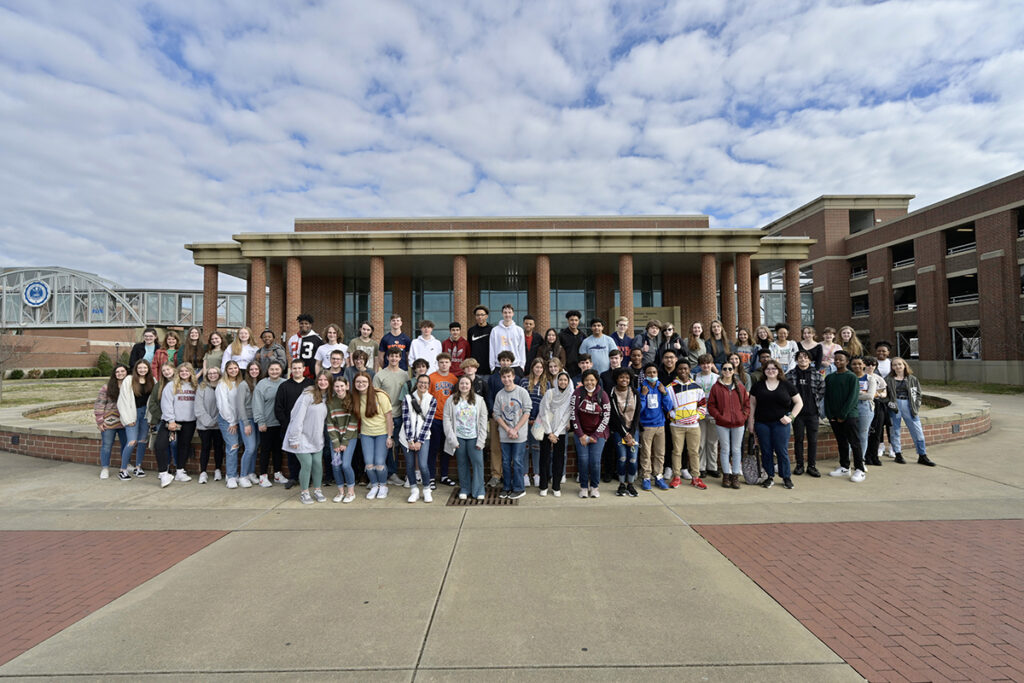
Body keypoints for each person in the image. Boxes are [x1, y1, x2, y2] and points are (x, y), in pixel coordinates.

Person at [748, 359, 802, 490]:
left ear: (778, 370)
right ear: (764, 371)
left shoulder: (786, 385)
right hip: (762, 423)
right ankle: (769, 477)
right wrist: (751, 422)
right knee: (766, 450)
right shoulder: (758, 386)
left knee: (781, 450)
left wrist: (791, 417)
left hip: (780, 424)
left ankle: (786, 477)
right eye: (768, 369)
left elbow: (799, 403)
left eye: (773, 369)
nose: (771, 371)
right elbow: (752, 405)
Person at [283, 372, 331, 504]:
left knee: (317, 464)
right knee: (307, 464)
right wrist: (294, 438)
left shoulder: (328, 397)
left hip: (316, 437)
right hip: (301, 436)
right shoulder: (308, 395)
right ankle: (304, 492)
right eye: (320, 379)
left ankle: (317, 490)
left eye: (325, 380)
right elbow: (297, 416)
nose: (322, 382)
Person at [444, 376, 489, 500]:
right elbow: (447, 419)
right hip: (459, 437)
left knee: (478, 463)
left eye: (467, 383)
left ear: (471, 386)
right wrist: (452, 439)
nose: (464, 386)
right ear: (458, 385)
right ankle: (465, 488)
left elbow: (483, 420)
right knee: (462, 463)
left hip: (474, 437)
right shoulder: (451, 400)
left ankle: (479, 490)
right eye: (462, 383)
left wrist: (481, 439)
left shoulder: (479, 400)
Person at [352, 371, 395, 500]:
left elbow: (388, 417)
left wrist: (389, 436)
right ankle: (375, 485)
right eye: (358, 382)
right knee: (369, 464)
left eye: (364, 382)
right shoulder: (355, 397)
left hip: (382, 433)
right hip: (366, 434)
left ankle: (383, 486)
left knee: (379, 463)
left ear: (369, 383)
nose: (361, 384)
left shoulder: (380, 395)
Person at [154, 363, 198, 488]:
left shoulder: (195, 386)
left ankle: (180, 471)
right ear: (178, 372)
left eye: (187, 371)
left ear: (191, 372)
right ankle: (163, 474)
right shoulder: (171, 385)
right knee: (160, 445)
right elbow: (166, 403)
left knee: (184, 446)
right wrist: (171, 420)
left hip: (189, 421)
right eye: (182, 371)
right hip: (171, 421)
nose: (184, 373)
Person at [707, 360, 749, 489]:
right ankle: (726, 475)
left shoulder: (740, 386)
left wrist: (743, 416)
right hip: (722, 423)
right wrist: (719, 416)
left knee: (736, 450)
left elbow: (747, 404)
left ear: (733, 370)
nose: (727, 371)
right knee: (725, 449)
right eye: (725, 369)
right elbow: (711, 405)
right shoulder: (716, 387)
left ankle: (735, 476)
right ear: (721, 371)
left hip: (738, 423)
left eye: (730, 369)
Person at [885, 357, 935, 466]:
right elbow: (884, 394)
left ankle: (922, 455)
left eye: (899, 364)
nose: (897, 367)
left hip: (909, 406)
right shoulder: (888, 379)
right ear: (892, 367)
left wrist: (916, 406)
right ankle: (898, 454)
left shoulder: (912, 379)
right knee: (895, 430)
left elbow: (918, 394)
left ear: (904, 365)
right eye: (894, 365)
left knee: (917, 431)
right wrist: (890, 404)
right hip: (895, 407)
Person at [825, 351, 865, 482]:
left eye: (841, 360)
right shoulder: (830, 377)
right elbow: (827, 398)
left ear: (847, 362)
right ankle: (844, 467)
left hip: (849, 415)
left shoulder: (851, 377)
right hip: (834, 417)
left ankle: (859, 469)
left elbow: (853, 398)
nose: (837, 362)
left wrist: (843, 414)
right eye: (835, 359)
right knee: (841, 442)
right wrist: (830, 414)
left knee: (854, 442)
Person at [666, 359, 706, 489]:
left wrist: (696, 417)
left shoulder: (697, 387)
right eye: (680, 369)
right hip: (677, 426)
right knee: (677, 451)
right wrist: (676, 418)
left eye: (686, 369)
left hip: (693, 426)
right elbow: (667, 408)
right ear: (677, 371)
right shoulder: (670, 388)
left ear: (689, 370)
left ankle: (696, 477)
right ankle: (676, 477)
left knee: (694, 451)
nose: (683, 371)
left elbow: (702, 405)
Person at [374, 347, 411, 487]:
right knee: (384, 446)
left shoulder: (405, 375)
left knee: (395, 446)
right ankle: (385, 474)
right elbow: (375, 397)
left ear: (400, 358)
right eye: (391, 356)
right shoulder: (380, 375)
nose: (394, 359)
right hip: (383, 417)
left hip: (399, 415)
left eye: (397, 356)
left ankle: (392, 473)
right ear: (387, 358)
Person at [275, 358, 313, 489]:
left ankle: (308, 477)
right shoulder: (284, 386)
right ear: (291, 370)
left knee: (308, 452)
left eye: (299, 368)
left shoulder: (311, 385)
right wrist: (287, 425)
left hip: (308, 427)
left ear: (304, 369)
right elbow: (278, 408)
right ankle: (293, 477)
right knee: (292, 454)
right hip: (289, 427)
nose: (297, 370)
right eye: (294, 368)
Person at [571, 369, 610, 498]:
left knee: (594, 461)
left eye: (592, 380)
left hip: (598, 434)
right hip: (581, 432)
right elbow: (573, 415)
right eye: (587, 380)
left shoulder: (602, 395)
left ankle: (594, 487)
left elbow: (606, 417)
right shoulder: (577, 393)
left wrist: (594, 436)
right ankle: (583, 487)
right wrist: (581, 435)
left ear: (597, 381)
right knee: (583, 460)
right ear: (583, 381)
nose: (589, 382)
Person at [494, 366, 531, 499]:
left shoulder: (522, 392)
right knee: (505, 461)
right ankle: (507, 487)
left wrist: (515, 429)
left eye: (509, 376)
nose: (507, 379)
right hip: (505, 434)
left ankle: (519, 488)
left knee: (517, 461)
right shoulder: (500, 395)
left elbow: (527, 411)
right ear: (501, 378)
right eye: (504, 377)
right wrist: (508, 429)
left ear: (513, 376)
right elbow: (497, 414)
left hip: (519, 434)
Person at [535, 370, 573, 497]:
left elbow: (567, 416)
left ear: (568, 382)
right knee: (544, 458)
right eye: (560, 380)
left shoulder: (570, 396)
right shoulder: (550, 393)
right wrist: (550, 432)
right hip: (546, 430)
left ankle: (556, 486)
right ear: (556, 381)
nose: (562, 382)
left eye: (565, 380)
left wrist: (556, 433)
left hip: (560, 432)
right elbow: (543, 412)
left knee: (559, 459)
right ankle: (544, 486)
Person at [401, 374, 437, 504]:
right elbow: (406, 420)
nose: (423, 385)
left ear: (429, 385)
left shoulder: (432, 400)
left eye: (426, 383)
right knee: (410, 465)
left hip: (423, 437)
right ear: (417, 383)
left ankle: (427, 489)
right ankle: (414, 490)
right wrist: (410, 440)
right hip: (406, 437)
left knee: (422, 465)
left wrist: (419, 441)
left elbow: (428, 422)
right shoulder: (407, 398)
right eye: (421, 382)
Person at [786, 350, 823, 477]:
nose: (803, 360)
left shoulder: (817, 374)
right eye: (800, 358)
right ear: (796, 360)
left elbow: (822, 389)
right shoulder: (790, 374)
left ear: (810, 360)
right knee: (798, 439)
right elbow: (786, 392)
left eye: (805, 358)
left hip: (812, 413)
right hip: (797, 414)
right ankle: (799, 465)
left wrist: (815, 399)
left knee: (813, 440)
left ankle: (812, 466)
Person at [117, 359, 154, 480]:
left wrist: (151, 417)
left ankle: (138, 467)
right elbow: (121, 401)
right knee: (132, 441)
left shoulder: (152, 381)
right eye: (140, 368)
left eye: (144, 368)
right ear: (136, 369)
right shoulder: (129, 380)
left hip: (145, 415)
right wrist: (127, 419)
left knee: (143, 440)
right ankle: (123, 469)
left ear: (148, 369)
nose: (142, 370)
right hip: (132, 414)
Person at [253, 360, 287, 487]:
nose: (274, 372)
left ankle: (277, 474)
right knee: (266, 451)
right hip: (266, 424)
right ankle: (263, 476)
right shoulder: (262, 385)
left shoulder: (285, 383)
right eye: (272, 369)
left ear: (281, 370)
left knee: (278, 450)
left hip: (280, 424)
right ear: (267, 370)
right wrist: (260, 421)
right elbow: (257, 405)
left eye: (277, 369)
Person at [326, 376, 360, 502]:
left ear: (347, 386)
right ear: (333, 388)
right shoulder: (330, 402)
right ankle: (340, 492)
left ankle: (351, 492)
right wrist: (336, 443)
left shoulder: (353, 400)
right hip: (335, 438)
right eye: (336, 386)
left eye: (342, 386)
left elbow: (353, 423)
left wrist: (344, 442)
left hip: (350, 437)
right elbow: (329, 423)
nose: (339, 389)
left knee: (345, 465)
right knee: (336, 465)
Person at [485, 351, 516, 487]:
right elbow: (489, 396)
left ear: (511, 362)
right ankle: (496, 474)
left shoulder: (516, 378)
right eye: (502, 360)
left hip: (512, 419)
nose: (505, 362)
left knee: (511, 447)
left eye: (507, 360)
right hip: (496, 418)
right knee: (495, 447)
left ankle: (509, 474)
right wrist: (493, 412)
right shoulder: (493, 379)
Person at [607, 367, 640, 497]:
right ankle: (621, 485)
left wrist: (631, 433)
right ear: (616, 379)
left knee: (632, 459)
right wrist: (625, 434)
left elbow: (637, 415)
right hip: (618, 431)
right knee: (622, 457)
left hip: (633, 431)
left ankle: (630, 484)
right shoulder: (611, 394)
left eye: (627, 377)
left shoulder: (635, 393)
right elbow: (613, 417)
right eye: (621, 377)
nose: (624, 380)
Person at [637, 363, 670, 491]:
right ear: (645, 375)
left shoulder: (661, 387)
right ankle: (646, 477)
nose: (652, 375)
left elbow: (668, 407)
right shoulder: (641, 389)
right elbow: (639, 410)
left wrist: (665, 394)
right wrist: (643, 396)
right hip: (646, 426)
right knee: (646, 453)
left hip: (660, 425)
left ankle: (658, 476)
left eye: (654, 372)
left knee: (660, 453)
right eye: (649, 372)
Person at [215, 360, 247, 489]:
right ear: (226, 371)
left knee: (238, 446)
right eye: (230, 369)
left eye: (235, 368)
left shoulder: (241, 383)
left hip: (240, 420)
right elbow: (223, 406)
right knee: (233, 447)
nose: (233, 370)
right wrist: (232, 421)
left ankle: (234, 474)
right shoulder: (222, 384)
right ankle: (231, 476)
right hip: (227, 420)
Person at [94, 364, 128, 480]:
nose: (120, 374)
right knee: (107, 446)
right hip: (109, 421)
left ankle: (125, 465)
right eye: (117, 372)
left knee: (126, 445)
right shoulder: (106, 387)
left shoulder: (130, 386)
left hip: (125, 421)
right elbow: (99, 404)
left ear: (127, 372)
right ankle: (105, 468)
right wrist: (99, 420)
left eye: (122, 371)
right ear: (114, 374)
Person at [428, 353, 458, 486]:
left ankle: (444, 476)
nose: (444, 364)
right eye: (441, 362)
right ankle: (431, 477)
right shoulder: (432, 378)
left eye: (446, 362)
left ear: (450, 364)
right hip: (435, 417)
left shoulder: (454, 379)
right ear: (437, 363)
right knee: (433, 449)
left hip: (449, 419)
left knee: (446, 449)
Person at [147, 363, 181, 476]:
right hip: (162, 420)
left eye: (168, 369)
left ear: (174, 369)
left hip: (178, 420)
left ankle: (178, 467)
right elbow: (152, 403)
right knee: (162, 445)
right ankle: (164, 468)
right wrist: (163, 415)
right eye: (164, 370)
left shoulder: (181, 383)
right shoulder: (159, 385)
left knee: (174, 444)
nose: (166, 372)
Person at [520, 357, 548, 488]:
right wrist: (527, 417)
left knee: (537, 448)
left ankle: (537, 474)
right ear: (532, 368)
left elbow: (547, 404)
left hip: (539, 420)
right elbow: (520, 401)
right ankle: (525, 474)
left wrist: (538, 418)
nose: (539, 369)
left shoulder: (546, 384)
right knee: (525, 448)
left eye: (541, 367)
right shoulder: (524, 381)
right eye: (537, 367)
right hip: (525, 419)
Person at [195, 366, 224, 483]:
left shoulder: (223, 387)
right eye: (210, 373)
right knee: (205, 447)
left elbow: (224, 407)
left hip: (219, 424)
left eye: (215, 373)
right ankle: (203, 472)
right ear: (206, 375)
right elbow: (198, 408)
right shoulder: (201, 387)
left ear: (219, 374)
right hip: (204, 425)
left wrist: (216, 421)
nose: (212, 375)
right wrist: (209, 422)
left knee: (218, 447)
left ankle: (218, 470)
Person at [855, 356, 886, 468]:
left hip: (876, 405)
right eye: (868, 364)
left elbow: (883, 393)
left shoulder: (877, 378)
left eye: (873, 365)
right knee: (862, 433)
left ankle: (874, 456)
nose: (871, 367)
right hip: (861, 406)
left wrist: (875, 394)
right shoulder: (858, 377)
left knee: (875, 432)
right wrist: (867, 395)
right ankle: (865, 457)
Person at [693, 354, 720, 478]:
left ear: (712, 364)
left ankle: (712, 467)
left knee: (713, 442)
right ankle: (701, 467)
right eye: (703, 363)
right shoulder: (695, 377)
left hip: (714, 413)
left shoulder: (717, 378)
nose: (706, 366)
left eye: (708, 363)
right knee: (701, 442)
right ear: (700, 365)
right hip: (700, 413)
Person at [236, 361, 262, 485]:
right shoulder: (243, 384)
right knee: (250, 447)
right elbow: (240, 406)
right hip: (247, 419)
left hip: (258, 419)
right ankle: (243, 476)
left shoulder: (260, 383)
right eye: (252, 369)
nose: (254, 371)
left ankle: (251, 473)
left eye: (256, 369)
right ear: (248, 371)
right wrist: (246, 423)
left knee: (255, 447)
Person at [489, 304, 526, 372]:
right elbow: (492, 349)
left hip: (515, 366)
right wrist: (492, 367)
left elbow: (521, 349)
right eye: (505, 312)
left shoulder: (519, 330)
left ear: (513, 314)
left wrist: (522, 365)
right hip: (499, 366)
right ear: (502, 314)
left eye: (509, 312)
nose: (507, 315)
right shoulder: (495, 330)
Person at [289, 314, 324, 379]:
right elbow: (291, 353)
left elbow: (321, 356)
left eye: (306, 323)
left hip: (310, 372)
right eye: (301, 323)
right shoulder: (293, 338)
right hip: (296, 371)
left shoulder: (317, 339)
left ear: (311, 325)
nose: (304, 325)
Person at [466, 306, 493, 377]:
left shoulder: (492, 330)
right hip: (475, 369)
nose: (480, 317)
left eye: (482, 315)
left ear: (486, 316)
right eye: (478, 315)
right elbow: (469, 349)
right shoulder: (471, 331)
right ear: (475, 317)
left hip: (488, 369)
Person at [559, 310, 585, 378]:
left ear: (578, 321)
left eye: (576, 320)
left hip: (579, 368)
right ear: (568, 321)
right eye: (571, 320)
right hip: (566, 367)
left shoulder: (583, 335)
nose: (574, 322)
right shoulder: (561, 335)